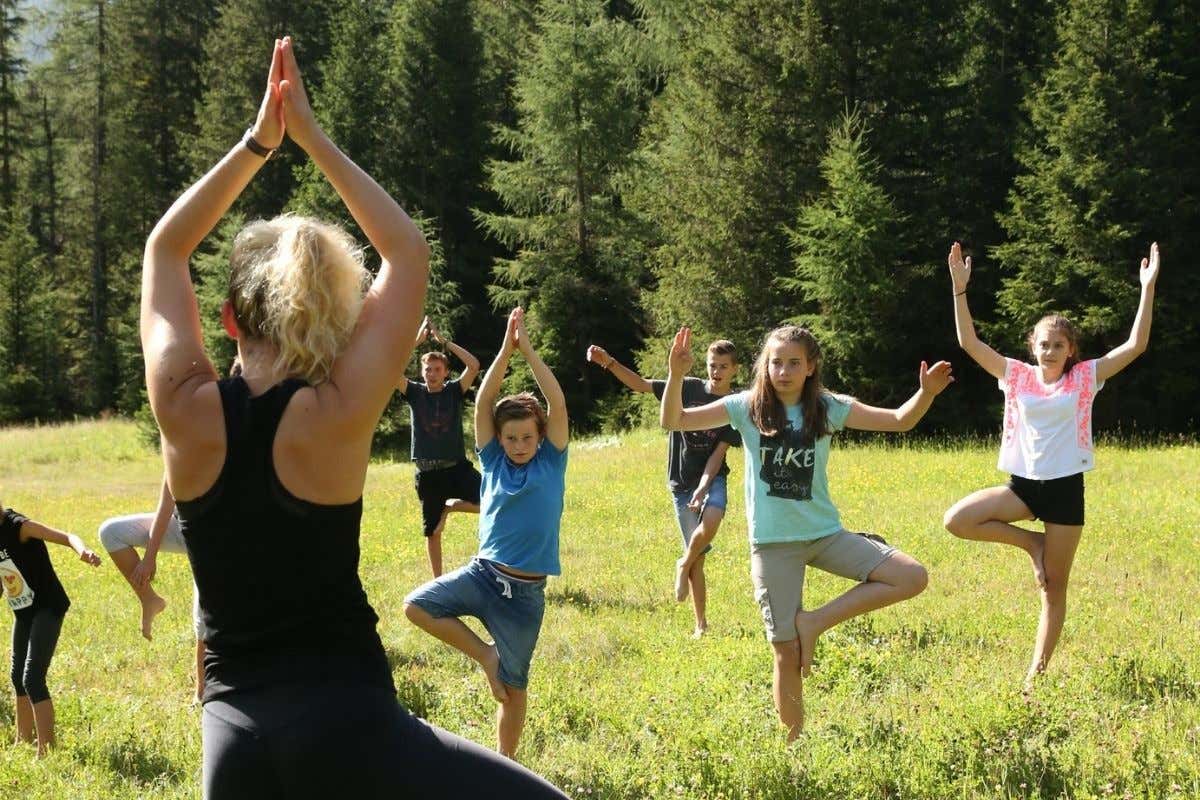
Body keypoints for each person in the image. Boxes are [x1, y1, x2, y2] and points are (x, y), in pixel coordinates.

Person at [141, 37, 565, 798]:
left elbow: (166, 249)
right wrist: (310, 135)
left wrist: (257, 145)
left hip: (231, 745)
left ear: (230, 320)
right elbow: (404, 249)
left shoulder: (184, 409)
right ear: (338, 324)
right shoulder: (334, 416)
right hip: (350, 728)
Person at [659, 325, 952, 740]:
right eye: (776, 362)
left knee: (911, 575)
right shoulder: (746, 407)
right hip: (773, 545)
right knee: (786, 652)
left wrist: (927, 393)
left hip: (824, 534)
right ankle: (794, 747)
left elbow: (900, 421)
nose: (784, 370)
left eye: (794, 362)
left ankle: (814, 622)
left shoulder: (828, 408)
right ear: (765, 365)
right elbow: (674, 419)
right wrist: (675, 374)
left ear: (811, 366)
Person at [942, 241, 1160, 692]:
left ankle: (1034, 678)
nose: (1049, 351)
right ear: (1033, 346)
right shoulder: (1015, 375)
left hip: (1065, 492)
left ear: (1070, 349)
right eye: (1043, 344)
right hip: (1023, 486)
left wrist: (1147, 287)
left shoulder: (1085, 378)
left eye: (1058, 345)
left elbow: (1136, 345)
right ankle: (1032, 545)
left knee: (1053, 589)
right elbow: (969, 342)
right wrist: (959, 290)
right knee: (957, 520)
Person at [405, 307, 568, 759]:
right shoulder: (493, 460)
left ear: (540, 438)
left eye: (526, 438)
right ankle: (486, 656)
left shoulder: (552, 461)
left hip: (525, 597)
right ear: (499, 439)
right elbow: (482, 401)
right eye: (510, 438)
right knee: (416, 606)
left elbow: (556, 404)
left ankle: (506, 765)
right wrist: (503, 351)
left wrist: (528, 352)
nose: (518, 445)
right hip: (482, 575)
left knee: (513, 692)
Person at [586, 339, 740, 637]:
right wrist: (608, 362)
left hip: (712, 477)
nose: (717, 371)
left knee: (711, 520)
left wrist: (704, 487)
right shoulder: (688, 386)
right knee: (699, 555)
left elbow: (718, 454)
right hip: (681, 481)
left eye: (723, 367)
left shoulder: (734, 406)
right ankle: (701, 624)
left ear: (735, 369)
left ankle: (682, 563)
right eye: (712, 365)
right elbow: (641, 385)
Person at [1, 500, 101, 757]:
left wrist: (83, 551)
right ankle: (23, 739)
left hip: (48, 606)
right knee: (16, 676)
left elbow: (68, 537)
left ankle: (46, 749)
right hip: (23, 612)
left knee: (32, 678)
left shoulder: (20, 527)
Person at [98, 478, 207, 701]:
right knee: (111, 532)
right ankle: (150, 600)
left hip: (214, 540)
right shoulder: (181, 448)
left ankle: (202, 693)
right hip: (181, 526)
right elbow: (166, 503)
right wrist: (149, 557)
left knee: (203, 619)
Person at [399, 315, 482, 577]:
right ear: (422, 373)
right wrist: (416, 342)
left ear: (446, 372)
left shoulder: (454, 391)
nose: (432, 374)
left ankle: (451, 506)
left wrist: (445, 342)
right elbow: (389, 367)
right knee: (433, 532)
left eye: (437, 369)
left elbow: (474, 365)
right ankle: (438, 582)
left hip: (456, 467)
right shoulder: (414, 392)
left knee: (490, 501)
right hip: (428, 473)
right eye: (427, 369)